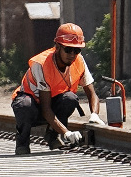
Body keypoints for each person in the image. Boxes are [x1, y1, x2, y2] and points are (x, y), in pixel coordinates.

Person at [11, 24, 100, 154]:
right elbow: (45, 109)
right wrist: (67, 133)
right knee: (25, 105)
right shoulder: (41, 64)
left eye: (77, 50)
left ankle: (53, 136)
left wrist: (95, 114)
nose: (72, 54)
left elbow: (92, 94)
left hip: (51, 105)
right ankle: (22, 142)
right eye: (68, 49)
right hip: (33, 106)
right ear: (57, 47)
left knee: (70, 98)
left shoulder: (79, 61)